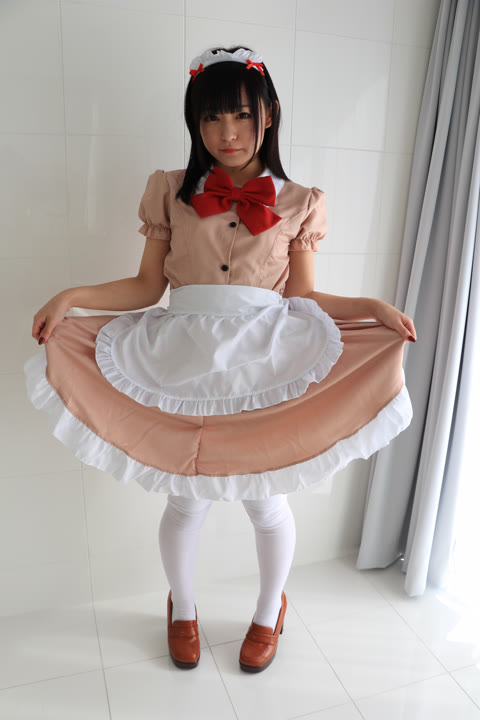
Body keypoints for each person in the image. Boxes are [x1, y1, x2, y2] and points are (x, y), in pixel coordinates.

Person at [24, 45, 417, 674]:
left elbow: (305, 296)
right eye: (210, 118)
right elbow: (145, 287)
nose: (226, 132)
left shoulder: (299, 200)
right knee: (186, 499)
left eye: (240, 115)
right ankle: (182, 608)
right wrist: (71, 297)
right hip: (180, 357)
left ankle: (267, 611)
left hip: (265, 359)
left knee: (266, 500)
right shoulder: (170, 192)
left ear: (268, 115)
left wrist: (372, 307)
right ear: (194, 123)